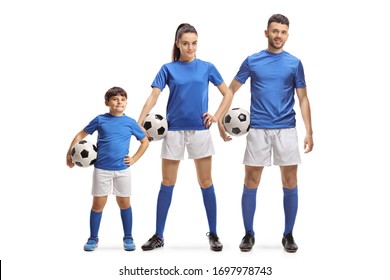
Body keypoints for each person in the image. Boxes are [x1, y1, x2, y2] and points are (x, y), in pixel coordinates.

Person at [219, 14, 314, 253]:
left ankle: (288, 234)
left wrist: (309, 131)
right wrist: (221, 117)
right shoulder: (252, 61)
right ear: (266, 33)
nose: (278, 36)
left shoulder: (294, 63)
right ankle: (248, 233)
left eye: (282, 32)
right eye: (274, 31)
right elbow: (231, 89)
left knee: (290, 181)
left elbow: (302, 98)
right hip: (258, 128)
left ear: (287, 35)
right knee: (251, 181)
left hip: (286, 129)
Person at [138, 23, 232, 252]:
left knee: (206, 182)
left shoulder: (207, 67)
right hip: (173, 132)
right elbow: (153, 96)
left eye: (194, 43)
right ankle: (159, 235)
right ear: (178, 44)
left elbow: (227, 93)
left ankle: (214, 234)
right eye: (186, 43)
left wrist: (217, 117)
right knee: (167, 183)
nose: (191, 48)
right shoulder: (167, 69)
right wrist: (138, 122)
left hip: (200, 131)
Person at [66, 86, 149, 251]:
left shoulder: (130, 122)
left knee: (124, 203)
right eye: (115, 99)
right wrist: (69, 152)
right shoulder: (100, 120)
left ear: (126, 102)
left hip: (122, 170)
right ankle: (93, 238)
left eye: (123, 99)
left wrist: (134, 158)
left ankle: (128, 237)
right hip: (102, 170)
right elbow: (80, 135)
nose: (120, 102)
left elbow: (145, 141)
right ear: (107, 102)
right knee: (98, 204)